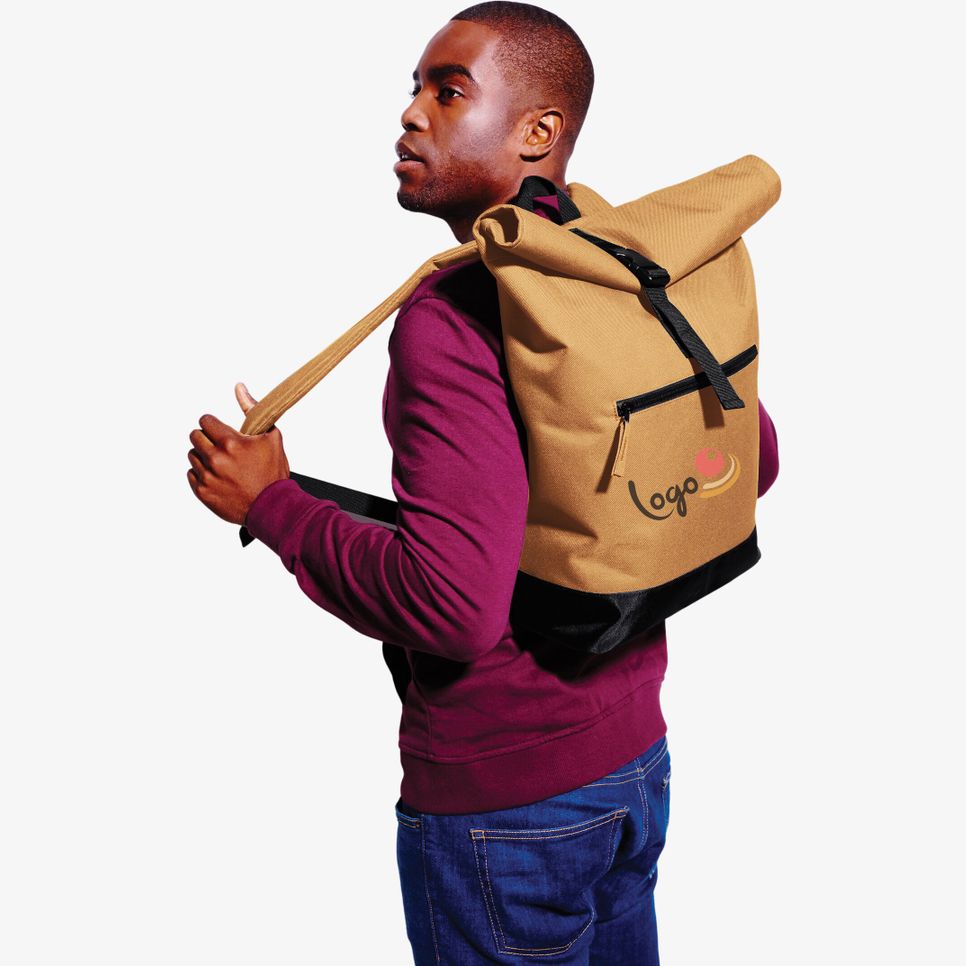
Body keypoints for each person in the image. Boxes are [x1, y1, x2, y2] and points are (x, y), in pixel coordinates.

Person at [186, 3, 781, 962]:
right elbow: (750, 459)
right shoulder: (610, 260)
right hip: (633, 763)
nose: (411, 113)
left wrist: (274, 506)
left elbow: (453, 608)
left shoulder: (454, 313)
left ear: (539, 130)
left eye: (449, 90)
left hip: (506, 804)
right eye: (415, 88)